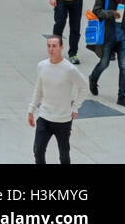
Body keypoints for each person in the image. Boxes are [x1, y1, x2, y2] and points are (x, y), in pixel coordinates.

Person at [28, 35, 87, 165]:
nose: (51, 49)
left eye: (54, 46)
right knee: (38, 151)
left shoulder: (70, 69)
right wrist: (31, 109)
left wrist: (75, 107)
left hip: (63, 121)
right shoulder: (42, 66)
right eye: (48, 46)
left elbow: (83, 87)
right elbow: (39, 90)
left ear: (61, 47)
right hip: (44, 117)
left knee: (64, 156)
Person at [86, 0, 125, 108]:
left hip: (122, 37)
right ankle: (93, 79)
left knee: (124, 67)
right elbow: (96, 10)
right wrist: (110, 13)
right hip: (108, 35)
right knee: (104, 63)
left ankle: (122, 96)